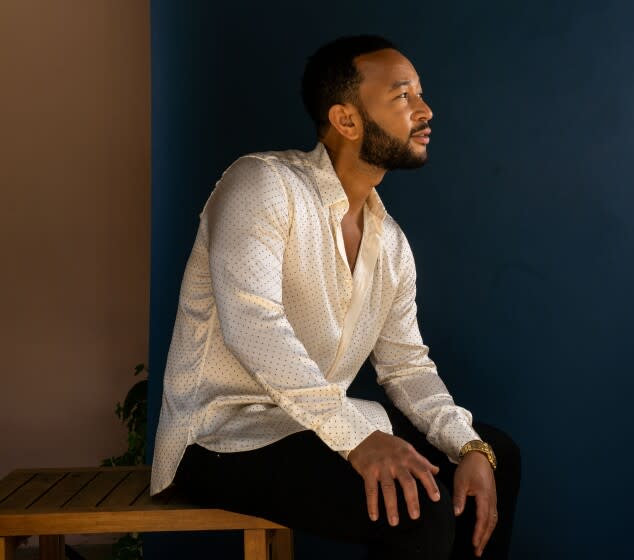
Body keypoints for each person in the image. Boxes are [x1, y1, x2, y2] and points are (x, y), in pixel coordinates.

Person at [150, 35, 520, 559]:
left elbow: (407, 367)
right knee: (418, 506)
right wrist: (357, 438)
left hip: (309, 424)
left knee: (495, 457)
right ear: (346, 121)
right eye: (402, 96)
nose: (425, 109)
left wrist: (467, 445)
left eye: (420, 93)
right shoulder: (261, 183)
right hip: (221, 436)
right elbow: (254, 326)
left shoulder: (388, 241)